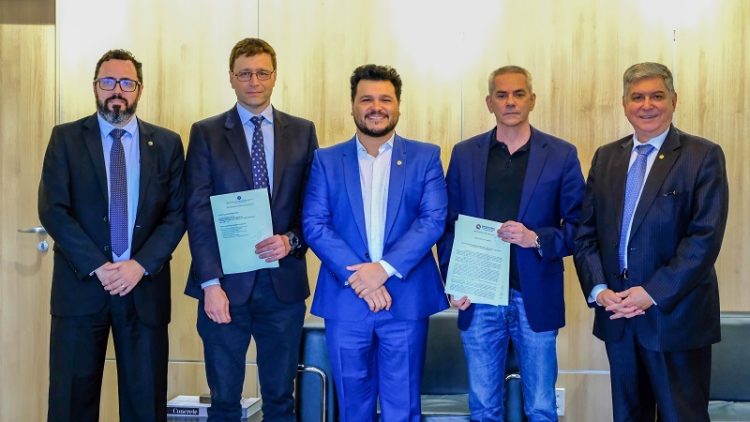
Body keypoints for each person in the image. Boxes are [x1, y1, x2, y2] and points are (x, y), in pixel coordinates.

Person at [574, 62, 729, 421]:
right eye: (637, 97)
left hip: (677, 319)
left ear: (674, 100)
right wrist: (599, 289)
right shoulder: (606, 157)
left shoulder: (702, 155)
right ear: (624, 104)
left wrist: (652, 292)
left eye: (657, 96)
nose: (647, 105)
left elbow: (704, 238)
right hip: (618, 318)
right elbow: (586, 234)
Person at [38, 49, 185, 422]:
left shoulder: (167, 144)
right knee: (71, 403)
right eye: (108, 81)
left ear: (139, 89)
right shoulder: (66, 139)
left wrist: (140, 265)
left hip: (143, 288)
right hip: (82, 287)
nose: (116, 90)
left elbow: (176, 214)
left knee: (145, 404)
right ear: (95, 87)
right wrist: (98, 266)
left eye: (126, 83)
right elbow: (54, 209)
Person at [437, 66, 585, 421]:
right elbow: (447, 226)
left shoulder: (561, 155)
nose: (511, 102)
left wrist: (536, 238)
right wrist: (453, 282)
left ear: (532, 100)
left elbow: (581, 228)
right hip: (479, 297)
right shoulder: (465, 154)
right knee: (484, 408)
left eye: (519, 94)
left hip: (534, 295)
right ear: (489, 102)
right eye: (501, 95)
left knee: (541, 408)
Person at [302, 64, 448, 422]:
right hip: (346, 300)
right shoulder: (326, 160)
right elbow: (315, 225)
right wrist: (361, 279)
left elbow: (432, 220)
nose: (376, 107)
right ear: (353, 105)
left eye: (385, 99)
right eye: (366, 99)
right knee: (353, 408)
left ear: (398, 106)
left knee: (402, 408)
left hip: (405, 299)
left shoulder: (425, 157)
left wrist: (382, 270)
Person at [184, 38, 318, 421]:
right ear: (231, 77)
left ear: (274, 77)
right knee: (225, 402)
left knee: (280, 399)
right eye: (245, 73)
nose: (254, 81)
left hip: (283, 287)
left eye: (262, 73)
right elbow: (197, 211)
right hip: (224, 288)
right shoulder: (206, 133)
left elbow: (313, 207)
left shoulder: (302, 132)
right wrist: (210, 284)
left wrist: (291, 240)